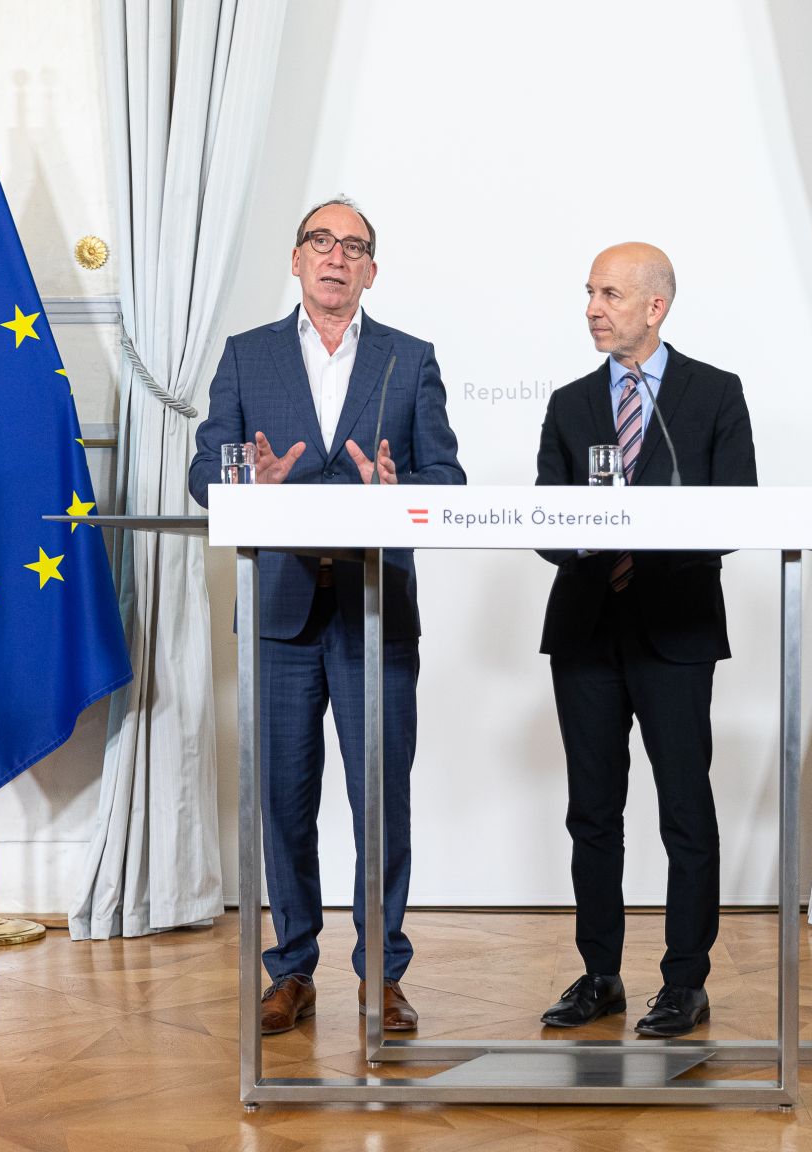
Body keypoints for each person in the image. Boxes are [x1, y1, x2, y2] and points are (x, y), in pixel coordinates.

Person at [188, 197, 465, 1035]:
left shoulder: (408, 359)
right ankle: (292, 971)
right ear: (297, 259)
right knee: (283, 802)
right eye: (321, 241)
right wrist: (248, 483)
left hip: (375, 614)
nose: (336, 256)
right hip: (279, 614)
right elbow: (204, 475)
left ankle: (382, 975)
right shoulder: (247, 356)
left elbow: (447, 482)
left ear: (371, 270)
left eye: (353, 246)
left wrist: (398, 492)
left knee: (381, 801)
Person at [533, 243, 757, 1038]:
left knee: (684, 810)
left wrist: (645, 524)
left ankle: (685, 981)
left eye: (610, 294)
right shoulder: (568, 403)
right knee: (592, 812)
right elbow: (546, 527)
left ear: (655, 307)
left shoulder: (715, 393)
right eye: (590, 293)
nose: (593, 308)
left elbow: (737, 511)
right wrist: (590, 532)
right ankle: (600, 974)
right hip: (586, 631)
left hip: (676, 628)